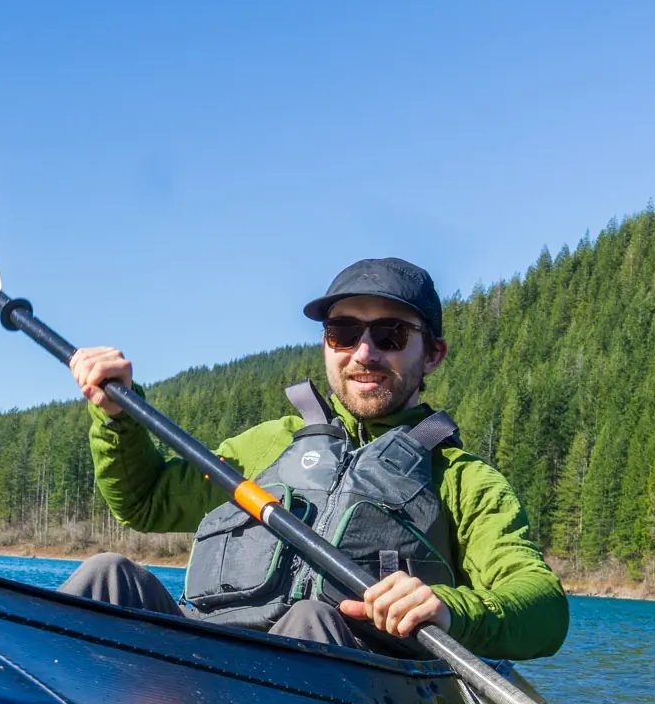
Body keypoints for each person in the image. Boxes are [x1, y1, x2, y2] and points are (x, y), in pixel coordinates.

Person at [60, 257, 568, 661]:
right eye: (343, 333)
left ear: (432, 354)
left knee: (311, 620)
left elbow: (543, 606)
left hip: (349, 687)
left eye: (390, 336)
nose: (363, 354)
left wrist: (448, 608)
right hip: (211, 657)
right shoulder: (268, 444)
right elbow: (146, 503)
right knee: (108, 574)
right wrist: (117, 418)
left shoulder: (463, 478)